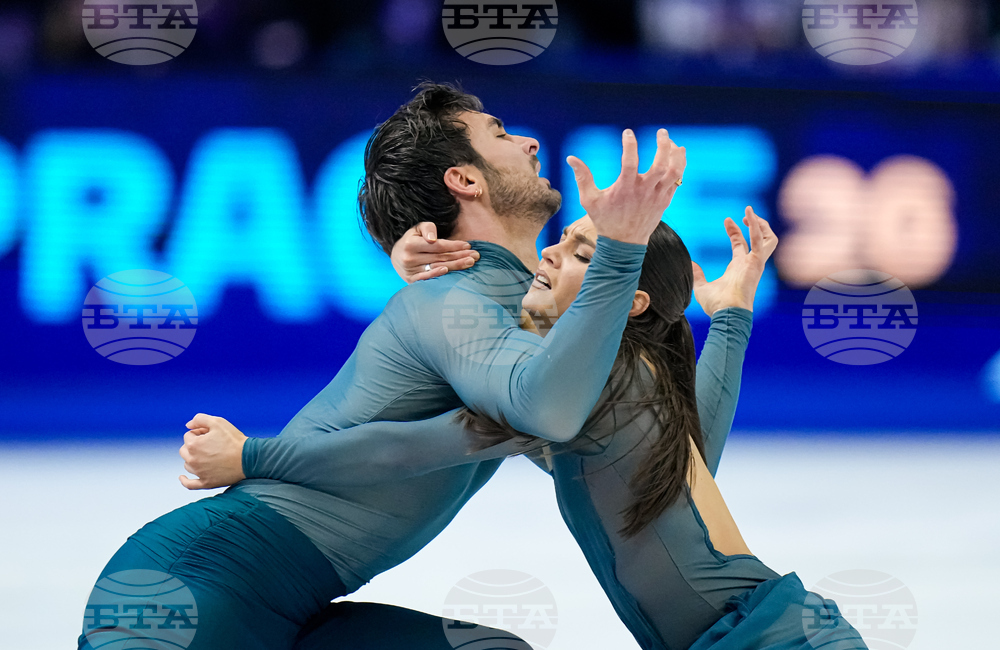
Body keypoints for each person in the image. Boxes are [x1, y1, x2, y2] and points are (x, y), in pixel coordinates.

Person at [78, 82, 688, 649]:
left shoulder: (498, 310)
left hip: (288, 606)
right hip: (203, 577)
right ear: (464, 180)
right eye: (501, 135)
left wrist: (727, 321)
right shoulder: (454, 301)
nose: (530, 142)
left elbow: (643, 456)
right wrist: (622, 252)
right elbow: (547, 407)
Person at [192, 212, 866, 649]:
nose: (546, 254)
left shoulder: (591, 384)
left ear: (625, 302)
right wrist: (732, 318)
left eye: (579, 255)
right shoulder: (619, 384)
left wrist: (254, 456)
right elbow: (694, 468)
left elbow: (405, 450)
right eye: (563, 240)